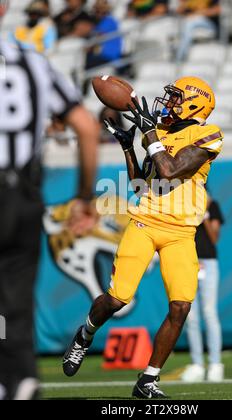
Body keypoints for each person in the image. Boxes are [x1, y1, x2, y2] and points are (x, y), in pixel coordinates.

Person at [63, 76, 224, 399]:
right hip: (145, 224)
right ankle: (85, 334)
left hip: (181, 233)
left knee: (180, 307)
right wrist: (127, 146)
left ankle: (148, 379)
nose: (170, 103)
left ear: (196, 103)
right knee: (116, 299)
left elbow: (171, 169)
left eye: (177, 98)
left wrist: (148, 133)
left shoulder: (208, 134)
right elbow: (141, 184)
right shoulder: (159, 133)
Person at [0, 0, 99, 400]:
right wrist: (85, 197)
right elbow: (86, 127)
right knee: (17, 301)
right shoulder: (33, 62)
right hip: (23, 193)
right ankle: (22, 378)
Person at [181, 194, 225, 383]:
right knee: (190, 315)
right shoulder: (182, 204)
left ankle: (215, 363)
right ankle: (197, 364)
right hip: (187, 261)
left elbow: (214, 238)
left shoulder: (212, 205)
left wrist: (204, 214)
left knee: (209, 312)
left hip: (208, 261)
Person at [85, 0, 123, 70]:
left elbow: (97, 38)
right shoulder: (96, 22)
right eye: (97, 11)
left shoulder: (110, 22)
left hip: (108, 57)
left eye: (103, 11)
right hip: (100, 56)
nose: (99, 13)